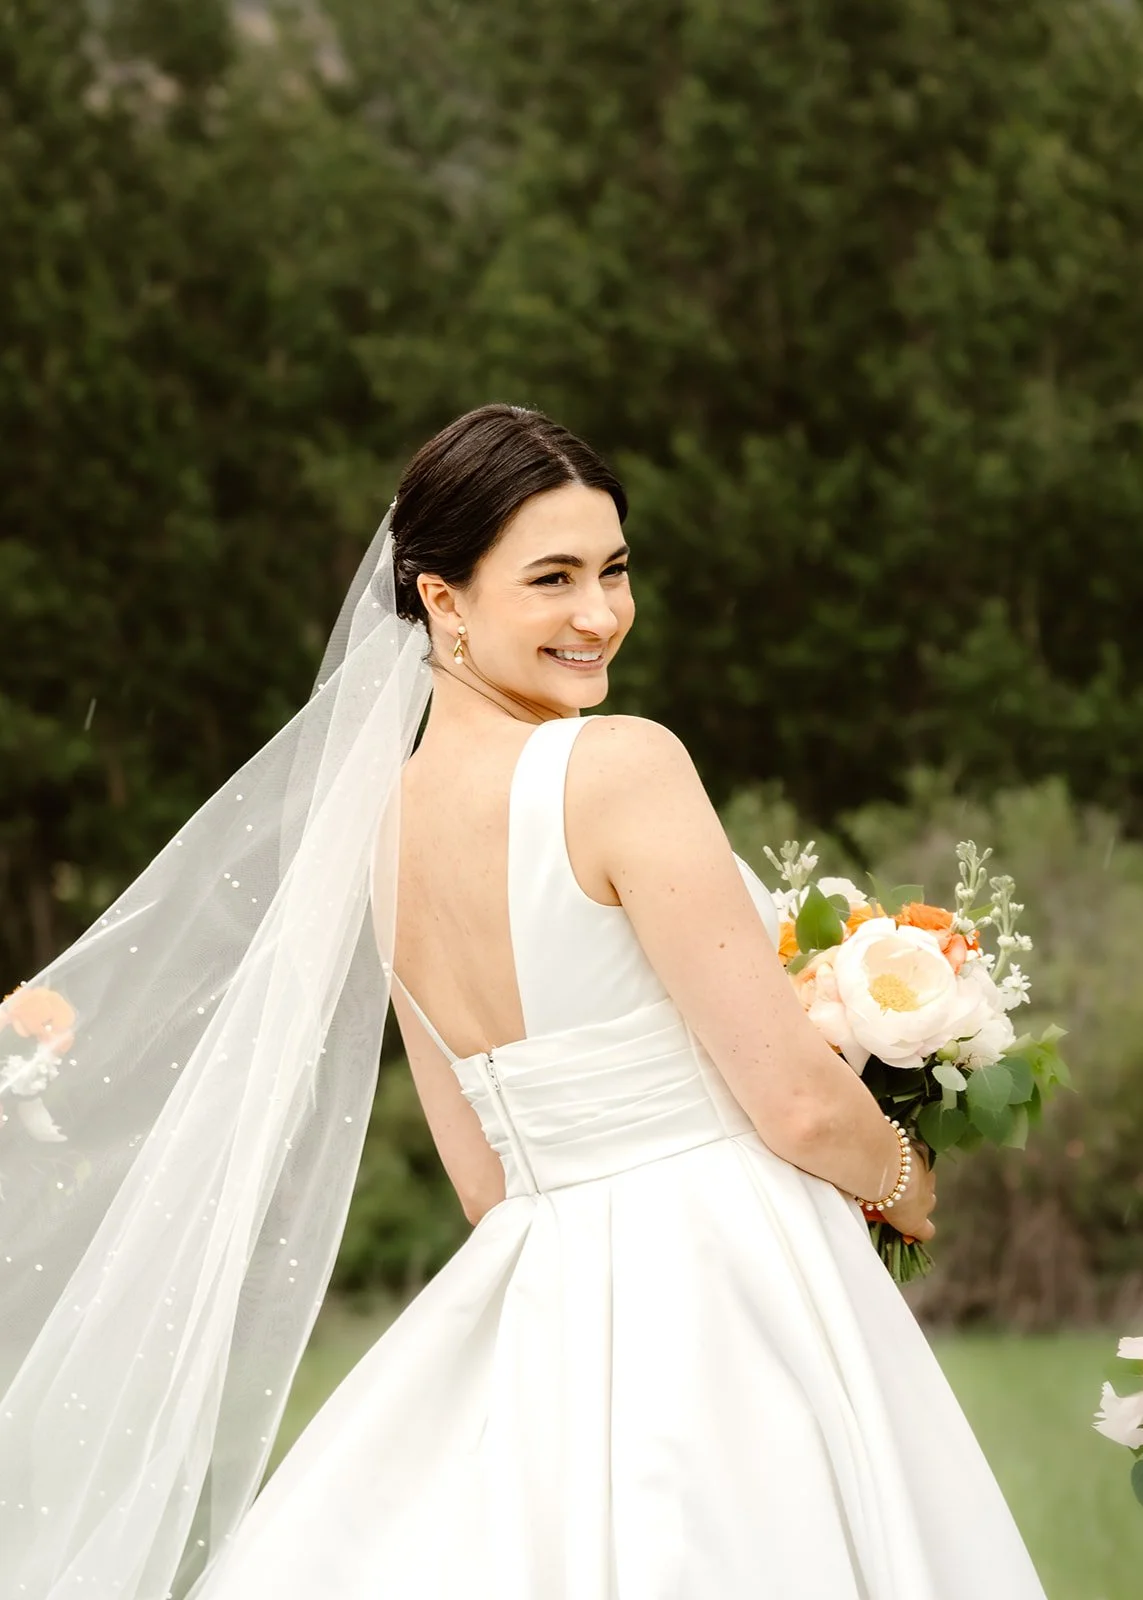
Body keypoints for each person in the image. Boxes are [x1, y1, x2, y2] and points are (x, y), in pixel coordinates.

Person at [0, 404, 1046, 1600]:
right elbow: (797, 1103)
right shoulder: (619, 764)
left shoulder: (378, 835)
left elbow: (482, 1179)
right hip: (724, 1280)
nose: (599, 613)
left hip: (542, 1285)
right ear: (441, 598)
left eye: (615, 569)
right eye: (552, 578)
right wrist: (907, 1182)